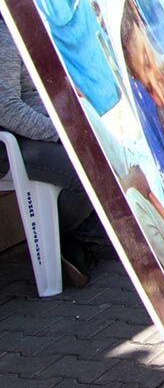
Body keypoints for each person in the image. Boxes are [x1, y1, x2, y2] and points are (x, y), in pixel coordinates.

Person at [0, 17, 109, 286]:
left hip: (42, 134)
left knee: (106, 153)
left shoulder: (30, 22)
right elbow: (7, 109)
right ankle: (75, 239)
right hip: (16, 142)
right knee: (84, 167)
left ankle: (80, 245)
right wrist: (61, 133)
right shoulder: (5, 34)